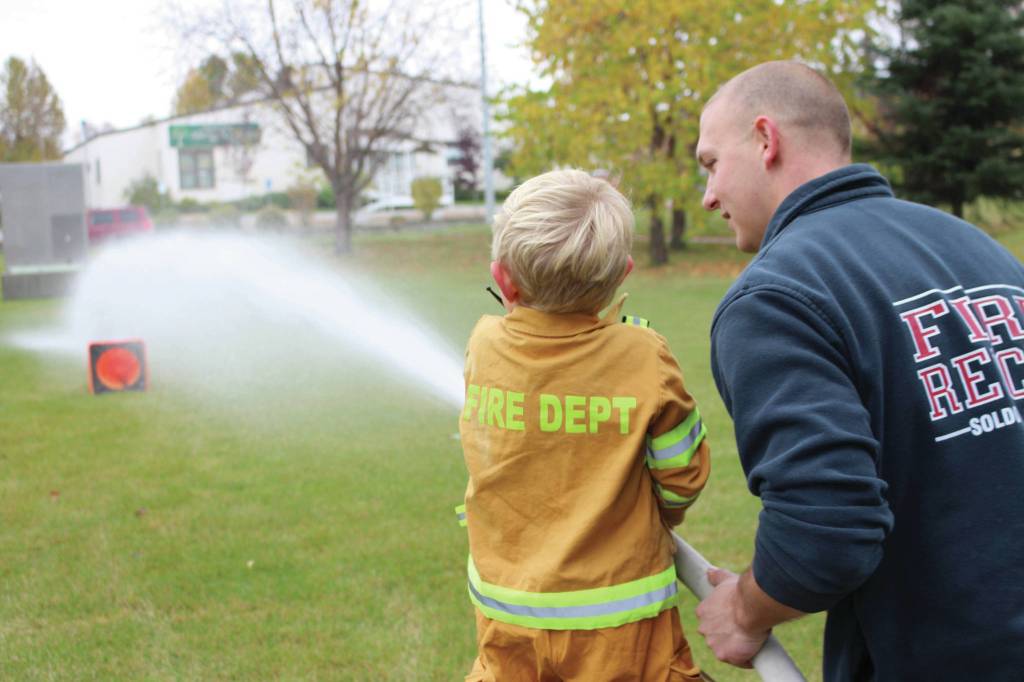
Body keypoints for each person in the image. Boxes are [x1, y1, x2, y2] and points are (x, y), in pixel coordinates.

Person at [693, 60, 1024, 681]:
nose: (708, 196)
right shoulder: (979, 249)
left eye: (711, 164)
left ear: (766, 140)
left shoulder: (775, 298)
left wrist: (742, 610)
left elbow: (825, 534)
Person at [458, 169, 711, 682]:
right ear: (623, 273)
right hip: (623, 626)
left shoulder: (483, 345)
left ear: (502, 278)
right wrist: (660, 514)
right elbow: (682, 478)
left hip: (508, 616)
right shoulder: (643, 355)